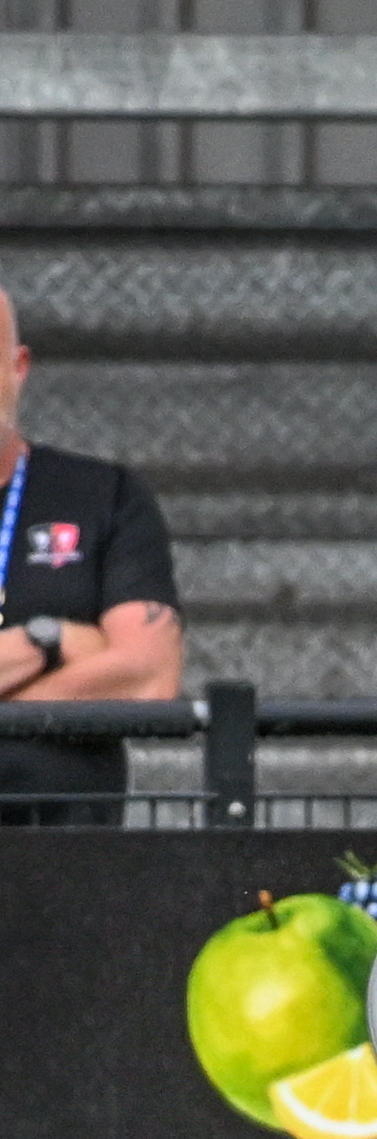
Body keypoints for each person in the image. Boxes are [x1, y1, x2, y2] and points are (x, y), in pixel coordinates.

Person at [0, 284, 185, 825]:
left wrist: (34, 646)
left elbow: (148, 679)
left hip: (67, 850)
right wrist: (55, 643)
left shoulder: (105, 495)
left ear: (18, 368)